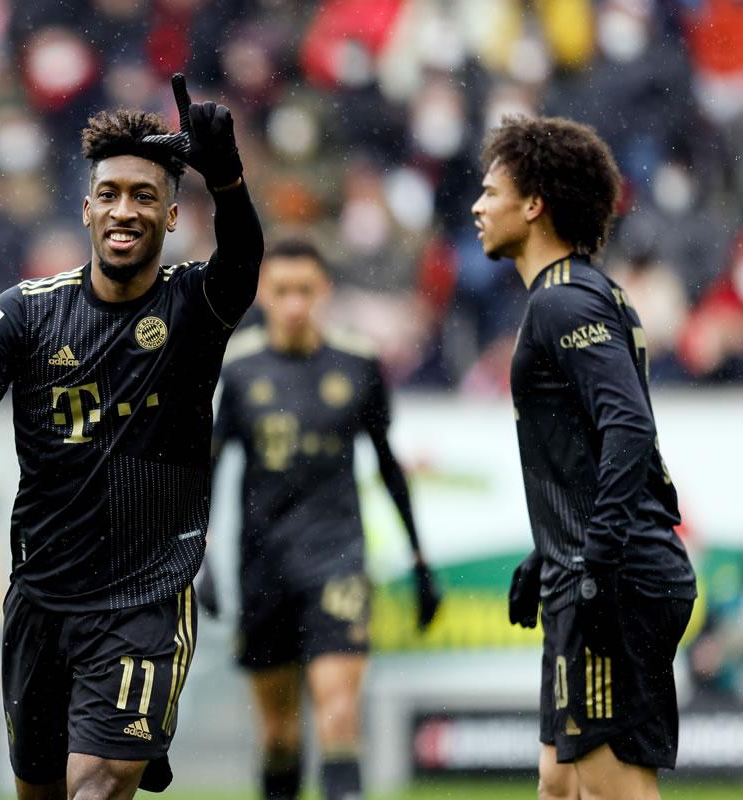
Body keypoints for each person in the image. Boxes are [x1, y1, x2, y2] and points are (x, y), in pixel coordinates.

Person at [0, 74, 263, 800]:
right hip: (40, 600)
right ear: (87, 207)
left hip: (145, 599)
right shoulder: (23, 314)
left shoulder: (194, 305)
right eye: (111, 194)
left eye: (145, 196)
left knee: (93, 789)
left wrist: (227, 179)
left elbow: (244, 259)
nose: (125, 210)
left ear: (171, 215)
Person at [472, 116, 697, 800]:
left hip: (613, 577)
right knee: (559, 783)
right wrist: (546, 554)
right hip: (585, 568)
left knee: (609, 790)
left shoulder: (564, 303)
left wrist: (596, 559)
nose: (478, 207)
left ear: (533, 204)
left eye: (492, 192)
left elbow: (628, 428)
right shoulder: (583, 292)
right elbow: (593, 449)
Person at [206, 238, 441, 800]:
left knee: (338, 713)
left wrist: (418, 557)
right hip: (263, 564)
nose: (294, 304)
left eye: (305, 291)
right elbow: (207, 469)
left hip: (337, 558)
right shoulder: (239, 369)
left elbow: (387, 465)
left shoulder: (357, 362)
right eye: (282, 291)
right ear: (265, 295)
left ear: (324, 292)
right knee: (280, 735)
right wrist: (201, 557)